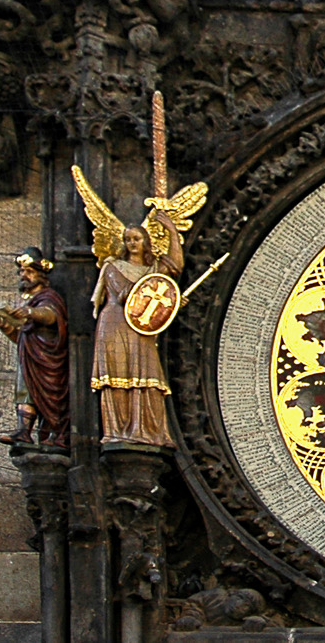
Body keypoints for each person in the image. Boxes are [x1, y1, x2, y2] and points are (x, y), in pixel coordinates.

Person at [76, 163, 209, 447]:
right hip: (116, 322)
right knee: (117, 376)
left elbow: (175, 266)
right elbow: (128, 294)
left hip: (142, 325)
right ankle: (118, 431)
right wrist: (167, 299)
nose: (132, 243)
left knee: (147, 373)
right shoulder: (113, 267)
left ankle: (147, 430)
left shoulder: (155, 268)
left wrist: (171, 230)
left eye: (137, 239)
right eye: (127, 239)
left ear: (147, 242)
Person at [0, 247, 68, 446]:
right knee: (24, 393)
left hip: (47, 357)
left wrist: (30, 313)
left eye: (29, 272)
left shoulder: (48, 297)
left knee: (50, 396)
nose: (23, 276)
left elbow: (51, 315)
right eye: (21, 272)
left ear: (40, 275)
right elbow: (18, 334)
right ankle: (23, 431)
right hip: (28, 353)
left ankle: (56, 433)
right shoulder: (29, 303)